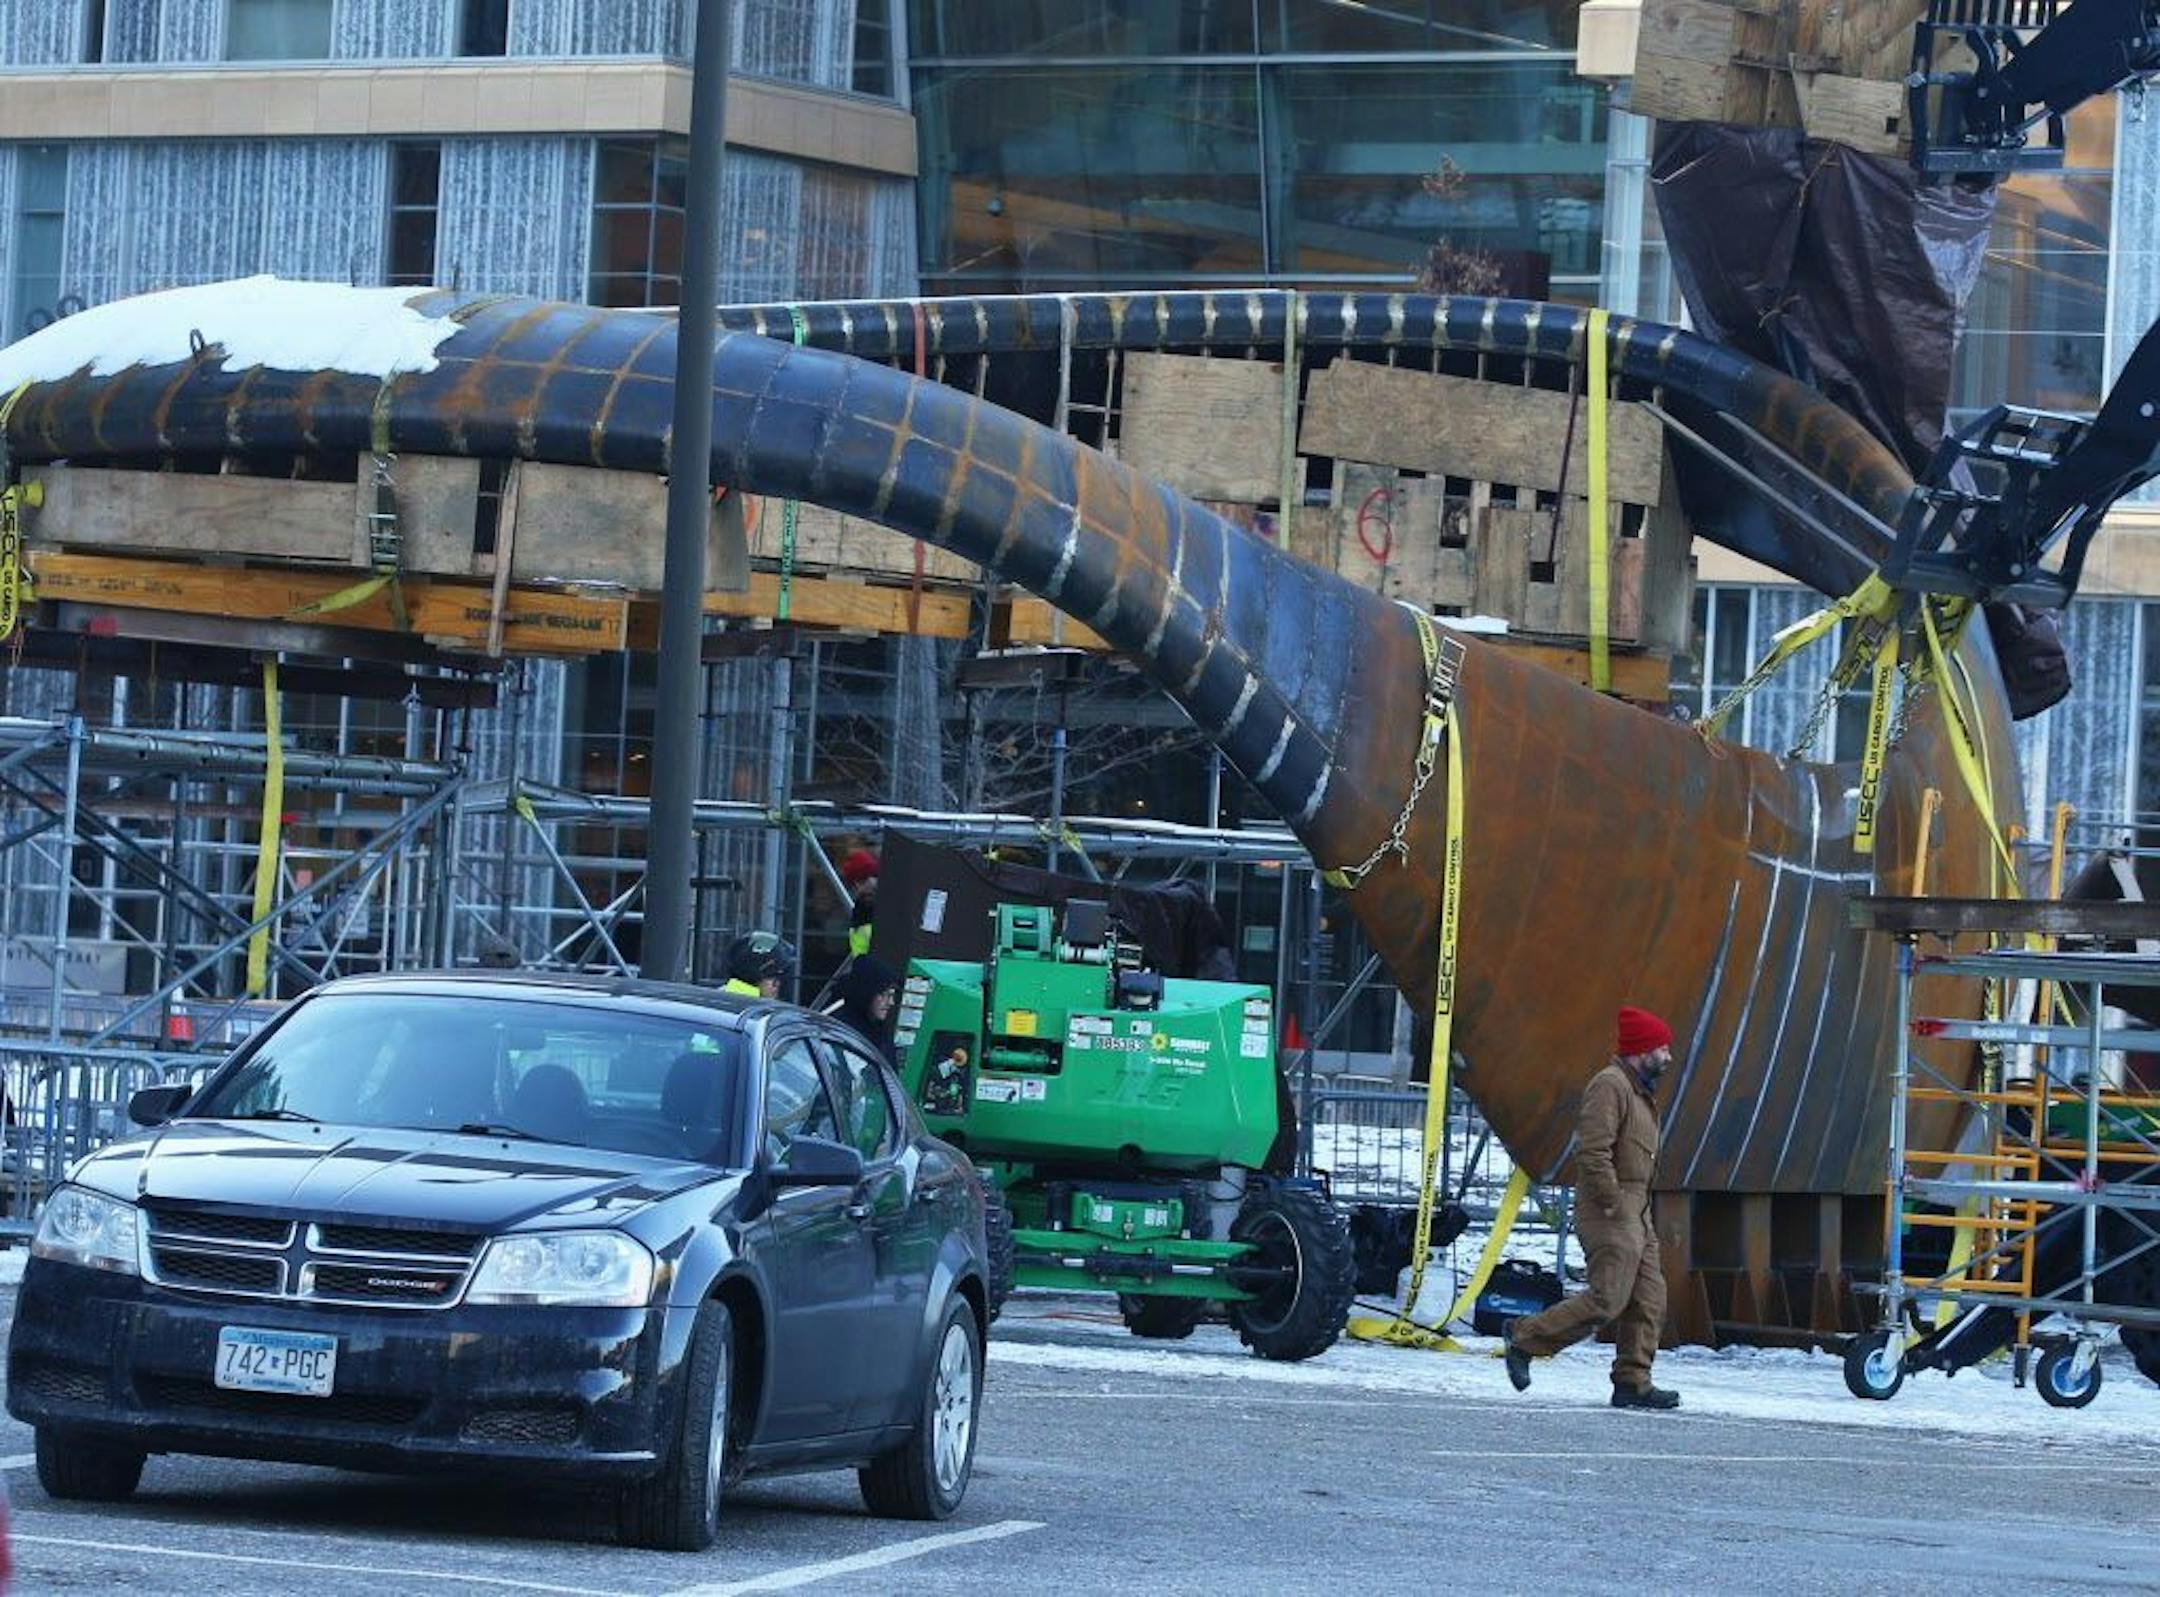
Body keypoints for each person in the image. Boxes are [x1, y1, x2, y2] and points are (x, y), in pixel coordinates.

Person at [1503, 1005, 1679, 1410]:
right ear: (1642, 1050)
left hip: (1638, 1210)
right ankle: (1524, 1337)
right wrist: (1613, 1204)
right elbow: (1593, 1151)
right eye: (1663, 1049)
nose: (1668, 1058)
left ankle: (1632, 1382)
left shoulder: (1639, 1092)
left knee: (1649, 1298)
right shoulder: (1610, 1086)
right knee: (1607, 1299)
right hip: (1610, 1210)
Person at [824, 954, 901, 1064]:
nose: (891, 1002)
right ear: (867, 993)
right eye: (885, 995)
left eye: (892, 995)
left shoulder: (880, 1030)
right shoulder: (841, 1031)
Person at [722, 931, 796, 999]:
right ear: (752, 975)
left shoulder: (720, 1000)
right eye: (772, 976)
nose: (777, 984)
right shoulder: (751, 1006)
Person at [839, 848, 879, 959]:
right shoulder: (859, 912)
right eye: (854, 885)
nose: (859, 889)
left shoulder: (891, 909)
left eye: (862, 880)